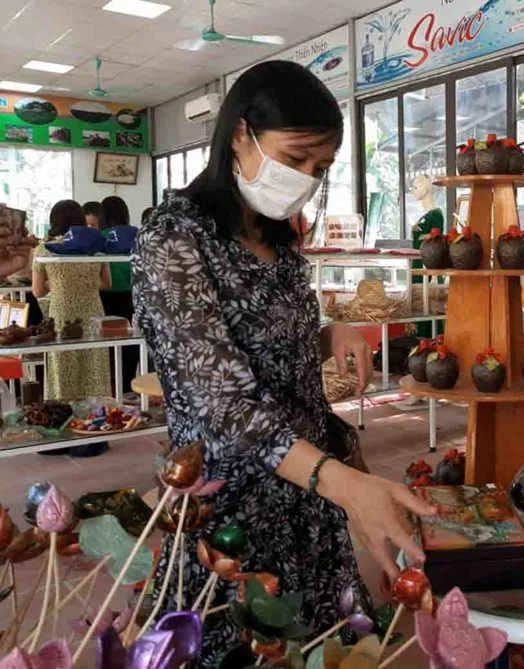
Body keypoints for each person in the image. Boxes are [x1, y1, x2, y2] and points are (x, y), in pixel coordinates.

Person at [132, 60, 435, 665]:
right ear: (240, 135)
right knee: (245, 642)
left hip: (308, 493)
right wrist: (345, 484)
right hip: (230, 508)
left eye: (319, 168)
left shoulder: (278, 241)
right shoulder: (173, 241)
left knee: (321, 646)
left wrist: (329, 335)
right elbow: (221, 401)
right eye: (295, 159)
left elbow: (272, 346)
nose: (305, 179)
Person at [32, 200, 111, 401]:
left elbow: (38, 291)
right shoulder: (94, 247)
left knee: (63, 365)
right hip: (93, 312)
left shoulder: (44, 249)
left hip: (62, 314)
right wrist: (85, 283)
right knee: (93, 365)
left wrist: (58, 283)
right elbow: (107, 283)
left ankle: (63, 410)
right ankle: (98, 415)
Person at [99, 196, 137, 393]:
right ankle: (129, 386)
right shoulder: (136, 234)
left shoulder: (101, 237)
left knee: (107, 341)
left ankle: (112, 388)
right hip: (132, 295)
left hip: (106, 296)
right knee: (130, 341)